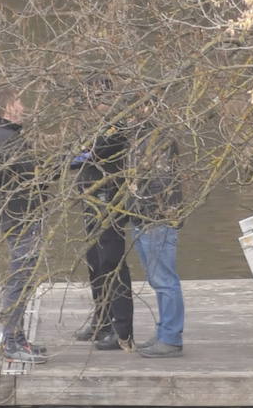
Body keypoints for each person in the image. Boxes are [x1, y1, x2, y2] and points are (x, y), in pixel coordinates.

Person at [0, 88, 48, 364]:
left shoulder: (2, 136)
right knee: (20, 277)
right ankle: (11, 341)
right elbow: (32, 176)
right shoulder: (7, 140)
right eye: (20, 103)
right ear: (8, 109)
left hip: (14, 216)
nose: (24, 107)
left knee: (24, 276)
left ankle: (18, 337)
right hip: (20, 217)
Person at [72, 76, 135, 352]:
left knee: (112, 262)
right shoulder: (90, 126)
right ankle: (101, 317)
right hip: (91, 202)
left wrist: (79, 155)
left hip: (111, 201)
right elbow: (78, 154)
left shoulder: (117, 126)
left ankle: (119, 328)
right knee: (94, 262)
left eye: (95, 98)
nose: (90, 104)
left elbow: (94, 153)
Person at [127, 98, 185, 358]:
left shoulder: (159, 138)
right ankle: (164, 331)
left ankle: (171, 337)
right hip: (141, 218)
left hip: (156, 218)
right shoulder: (137, 137)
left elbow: (159, 181)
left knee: (164, 280)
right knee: (156, 279)